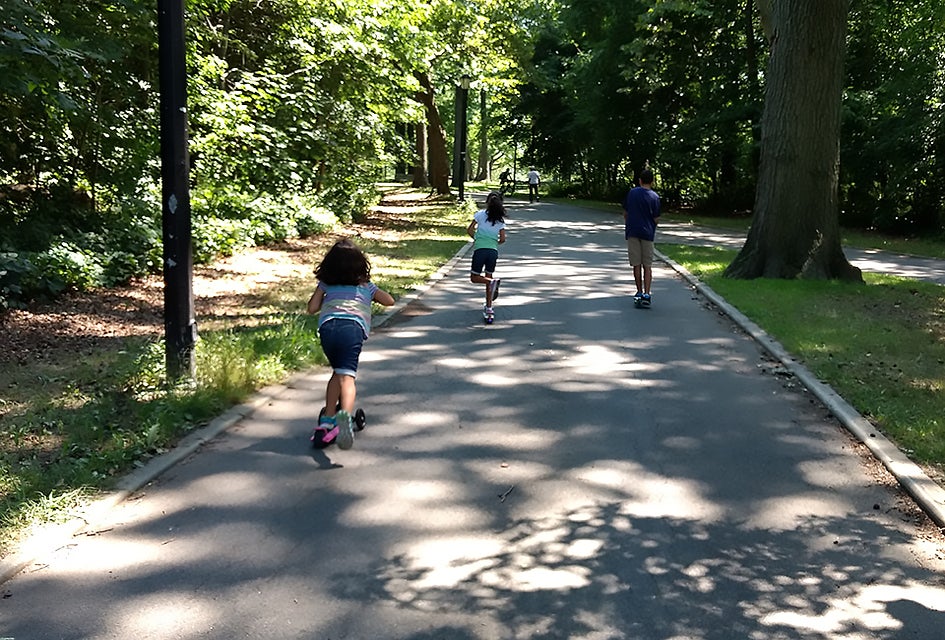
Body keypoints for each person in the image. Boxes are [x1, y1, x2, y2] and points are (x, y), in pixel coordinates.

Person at [307, 239, 394, 449]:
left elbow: (312, 308)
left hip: (328, 329)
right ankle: (344, 415)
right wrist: (370, 294)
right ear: (360, 265)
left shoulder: (326, 284)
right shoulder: (366, 287)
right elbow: (389, 301)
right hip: (352, 329)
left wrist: (326, 294)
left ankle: (327, 418)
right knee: (347, 376)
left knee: (337, 372)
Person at [622, 168, 661, 305]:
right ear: (652, 181)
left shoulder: (632, 193)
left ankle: (638, 291)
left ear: (640, 181)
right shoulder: (655, 197)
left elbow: (625, 213)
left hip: (633, 231)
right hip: (647, 233)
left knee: (636, 264)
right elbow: (656, 218)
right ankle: (647, 294)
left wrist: (629, 223)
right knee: (647, 265)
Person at [467, 191, 507, 321]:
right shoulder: (500, 220)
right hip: (492, 252)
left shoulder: (479, 215)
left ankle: (492, 282)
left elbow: (469, 230)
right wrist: (494, 243)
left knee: (475, 278)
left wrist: (477, 238)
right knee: (489, 277)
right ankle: (489, 308)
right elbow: (502, 239)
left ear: (487, 202)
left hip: (480, 250)